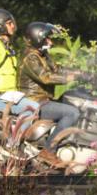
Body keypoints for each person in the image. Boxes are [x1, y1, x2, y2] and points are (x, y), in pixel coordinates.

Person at [19, 22, 81, 151]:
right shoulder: (30, 58)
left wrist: (81, 73)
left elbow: (58, 69)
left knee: (75, 101)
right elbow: (46, 77)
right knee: (72, 113)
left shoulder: (43, 56)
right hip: (35, 102)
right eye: (47, 39)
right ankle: (49, 150)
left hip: (45, 100)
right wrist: (71, 78)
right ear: (38, 39)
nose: (51, 42)